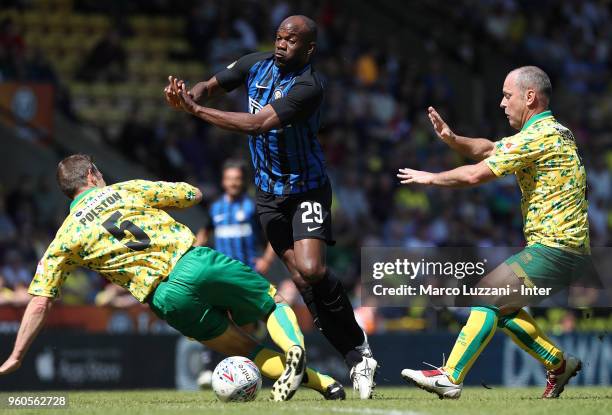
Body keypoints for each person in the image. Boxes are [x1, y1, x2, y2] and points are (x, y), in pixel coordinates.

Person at [0, 154, 345, 401]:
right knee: (273, 304)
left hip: (165, 298)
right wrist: (184, 196)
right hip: (192, 261)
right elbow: (190, 194)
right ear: (92, 174)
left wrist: (17, 355)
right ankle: (296, 348)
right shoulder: (126, 190)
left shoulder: (64, 238)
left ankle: (325, 384)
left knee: (244, 348)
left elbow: (40, 300)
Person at [164, 15, 377, 398]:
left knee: (312, 269)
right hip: (267, 195)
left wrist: (196, 113)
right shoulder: (254, 63)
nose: (281, 44)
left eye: (291, 41)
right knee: (299, 279)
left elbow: (257, 124)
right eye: (279, 37)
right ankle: (354, 358)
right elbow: (211, 85)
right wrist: (188, 96)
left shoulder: (309, 87)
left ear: (308, 49)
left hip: (306, 191)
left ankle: (359, 349)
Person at [397, 66, 588, 399]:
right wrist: (453, 140)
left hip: (556, 247)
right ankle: (558, 364)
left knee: (487, 294)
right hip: (568, 249)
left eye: (507, 95)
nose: (502, 103)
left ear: (530, 97)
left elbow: (475, 175)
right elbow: (489, 150)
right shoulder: (554, 131)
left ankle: (450, 376)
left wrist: (431, 178)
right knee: (504, 310)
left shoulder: (538, 136)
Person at [200, 159, 275, 274]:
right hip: (221, 272)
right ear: (223, 181)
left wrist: (266, 260)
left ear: (243, 181)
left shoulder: (252, 206)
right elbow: (204, 233)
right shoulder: (215, 207)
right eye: (229, 179)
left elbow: (272, 236)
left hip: (249, 271)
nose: (233, 183)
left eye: (237, 179)